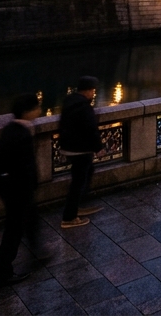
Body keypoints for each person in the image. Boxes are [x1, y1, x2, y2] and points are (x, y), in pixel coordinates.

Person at [0, 94, 46, 287]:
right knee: (13, 232)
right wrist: (31, 185)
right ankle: (2, 274)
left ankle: (37, 252)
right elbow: (24, 168)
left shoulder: (10, 129)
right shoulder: (22, 134)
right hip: (18, 192)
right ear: (27, 111)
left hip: (11, 190)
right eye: (36, 108)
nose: (39, 111)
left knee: (29, 220)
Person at [58, 76, 103, 229]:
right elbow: (90, 129)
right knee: (78, 182)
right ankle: (69, 217)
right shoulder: (84, 107)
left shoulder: (69, 101)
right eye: (93, 91)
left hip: (68, 147)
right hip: (80, 150)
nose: (94, 94)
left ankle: (77, 206)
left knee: (86, 173)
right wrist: (99, 148)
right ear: (89, 91)